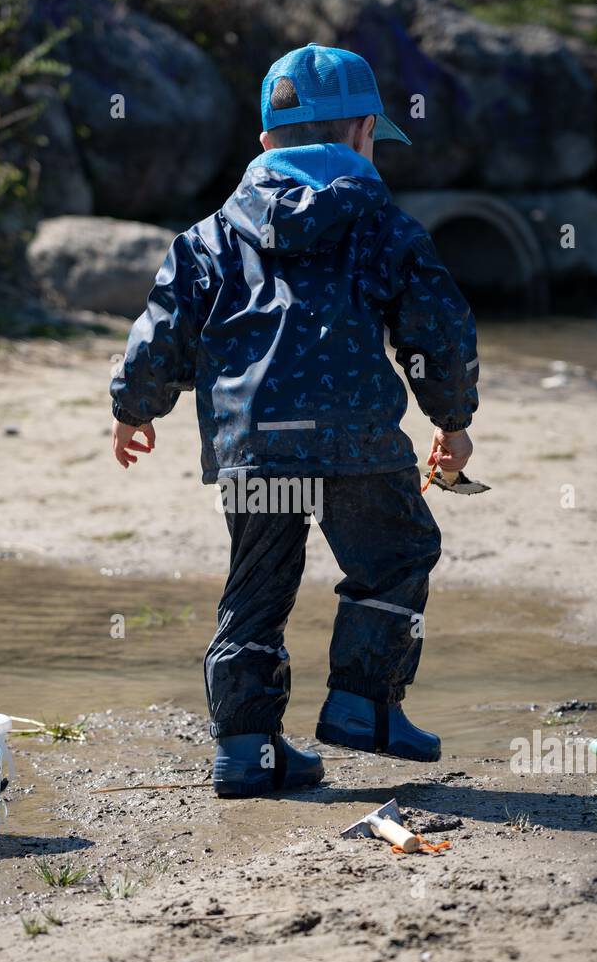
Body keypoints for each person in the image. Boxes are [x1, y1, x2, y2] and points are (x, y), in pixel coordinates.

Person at [111, 44, 478, 797]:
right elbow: (436, 331)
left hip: (253, 444)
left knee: (257, 589)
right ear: (363, 137)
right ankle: (363, 705)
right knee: (398, 556)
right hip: (355, 441)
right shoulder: (383, 226)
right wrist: (453, 417)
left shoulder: (212, 234)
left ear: (264, 144)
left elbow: (165, 325)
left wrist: (135, 406)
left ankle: (247, 751)